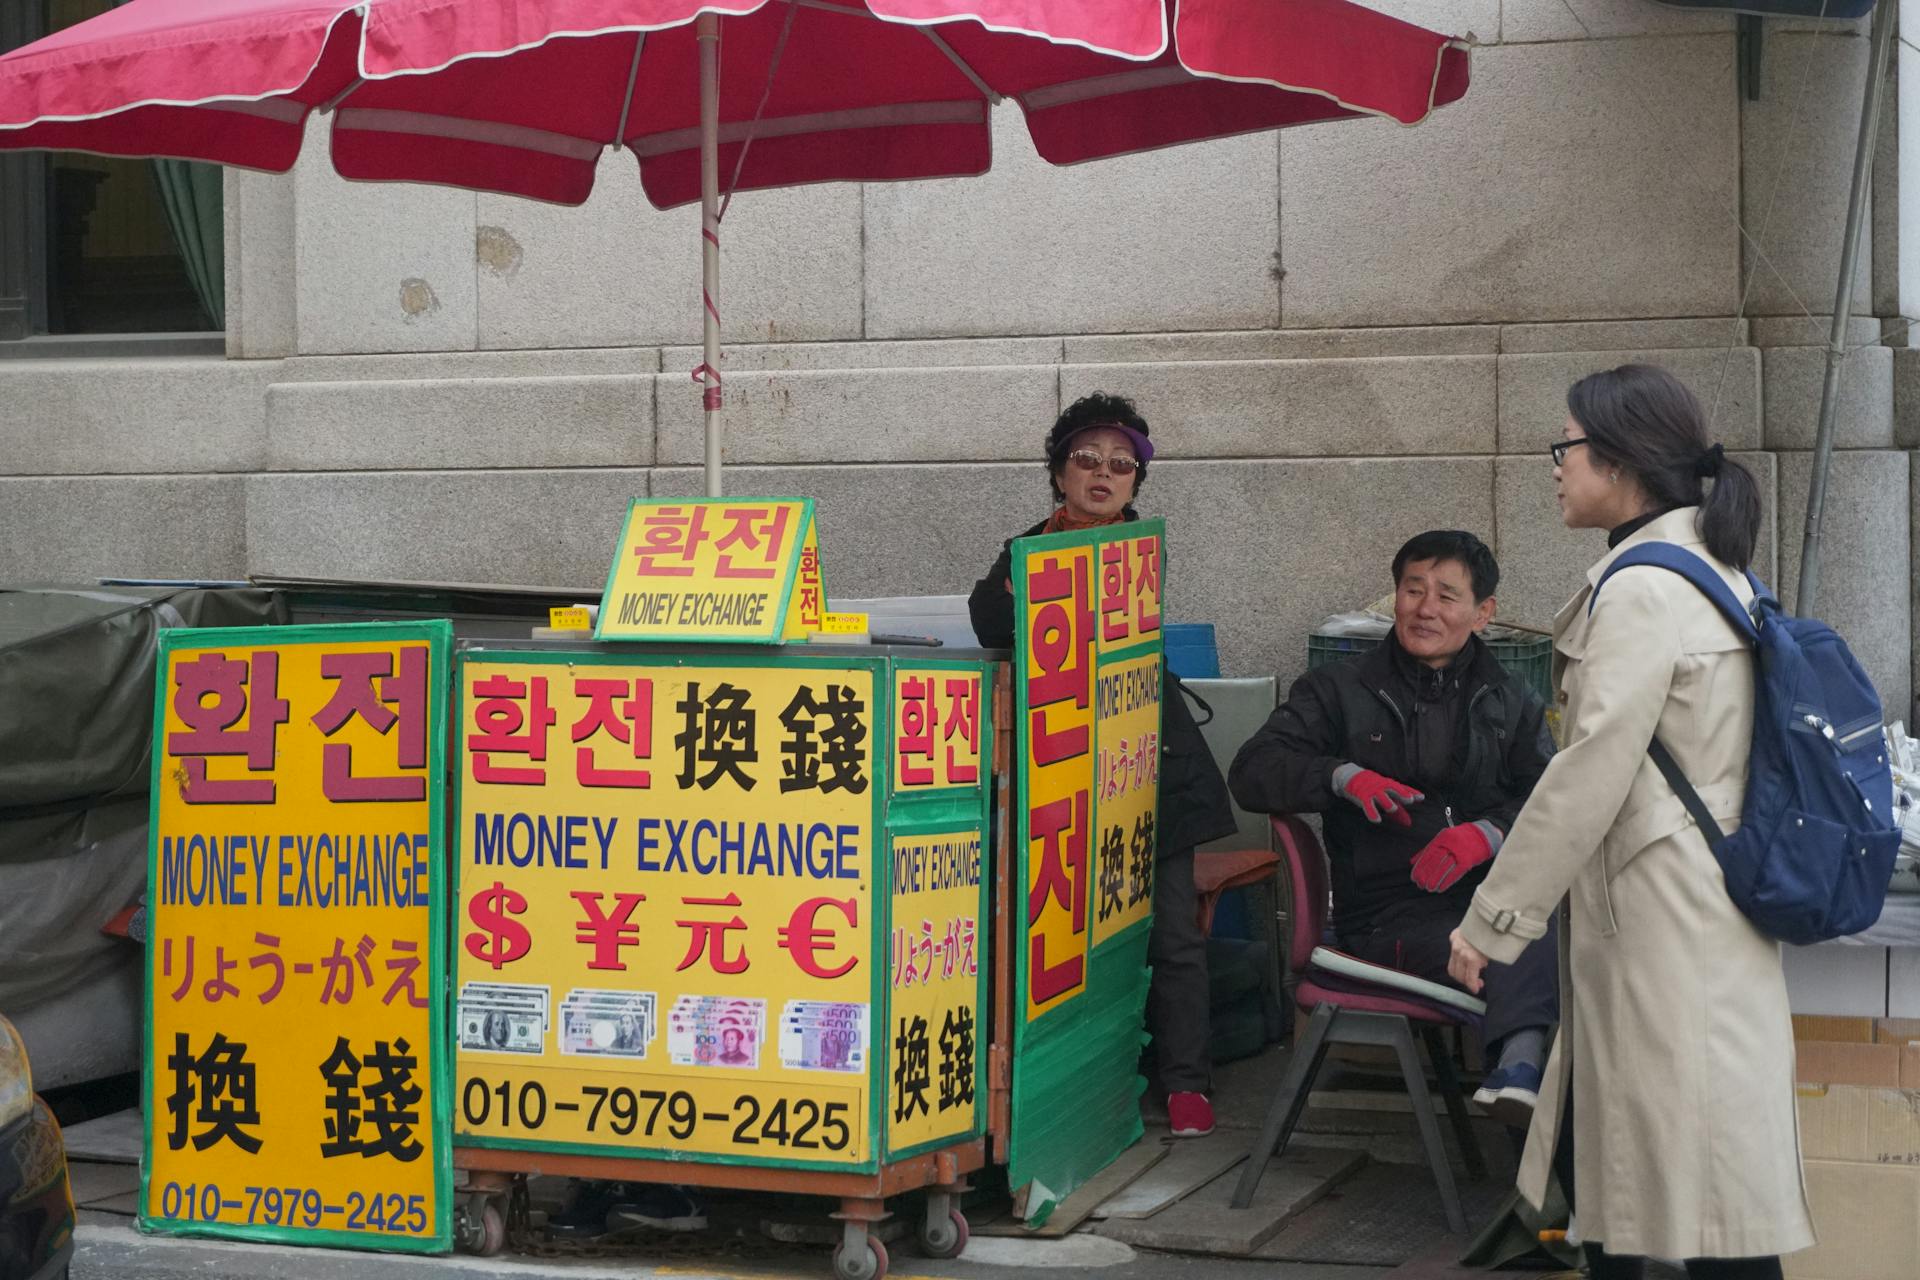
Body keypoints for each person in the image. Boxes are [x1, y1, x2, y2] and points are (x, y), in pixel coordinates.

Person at [1446, 365, 1808, 1279]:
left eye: (1565, 448)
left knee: (1692, 1200)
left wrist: (1494, 920)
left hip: (1664, 918)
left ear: (1622, 459)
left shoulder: (1645, 588)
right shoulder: (1713, 564)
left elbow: (1590, 769)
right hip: (1700, 904)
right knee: (1683, 1190)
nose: (1556, 468)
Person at [968, 392, 1237, 1138]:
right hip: (1063, 774)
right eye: (1086, 458)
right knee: (1063, 931)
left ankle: (1187, 1084)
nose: (1103, 473)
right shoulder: (1023, 554)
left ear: (1134, 486)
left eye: (1122, 465)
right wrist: (1008, 596)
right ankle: (1075, 1087)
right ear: (1058, 472)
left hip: (1153, 767)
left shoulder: (1136, 554)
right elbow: (988, 620)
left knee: (1172, 935)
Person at [1227, 530, 1559, 1123]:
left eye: (1447, 595)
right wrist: (1340, 776)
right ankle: (1522, 1067)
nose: (1425, 608)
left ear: (1483, 614)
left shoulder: (1511, 701)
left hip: (1491, 898)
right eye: (1413, 589)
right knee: (1529, 948)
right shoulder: (1338, 691)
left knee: (1575, 934)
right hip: (1388, 915)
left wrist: (1489, 834)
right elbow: (1251, 772)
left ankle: (1536, 1099)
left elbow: (1554, 801)